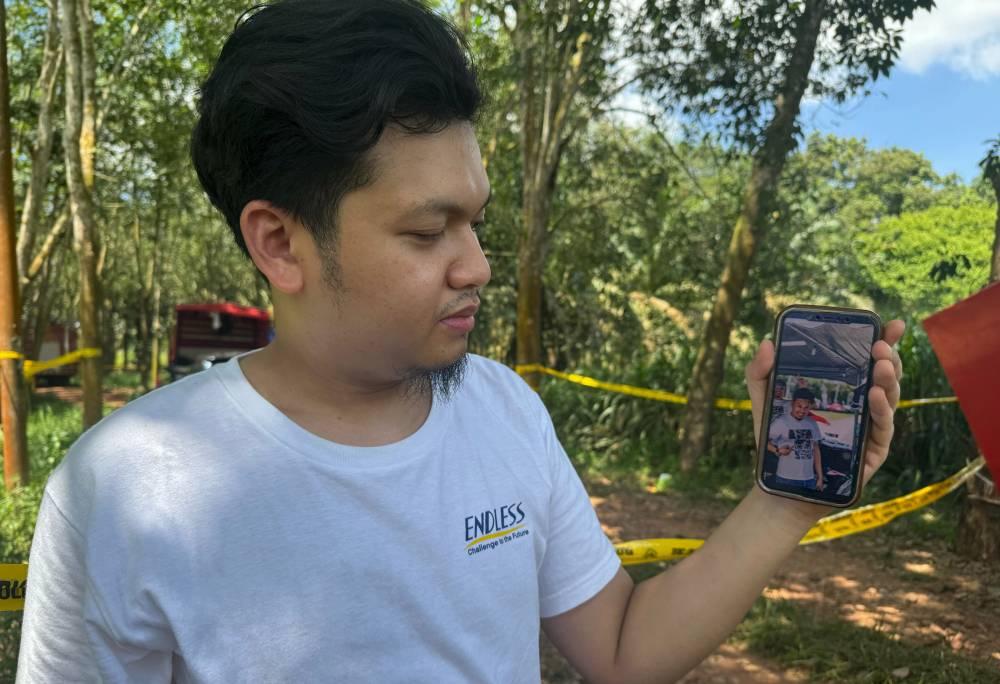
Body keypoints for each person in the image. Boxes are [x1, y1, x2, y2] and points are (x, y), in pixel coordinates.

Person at [15, 2, 905, 682]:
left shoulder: (506, 411)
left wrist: (785, 501)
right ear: (279, 243)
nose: (476, 265)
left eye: (476, 222)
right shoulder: (122, 487)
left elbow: (622, 649)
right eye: (426, 231)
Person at [767, 388, 825, 491]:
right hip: (786, 478)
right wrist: (777, 450)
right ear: (792, 403)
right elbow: (764, 442)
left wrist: (820, 477)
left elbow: (816, 451)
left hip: (809, 479)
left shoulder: (812, 423)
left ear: (810, 407)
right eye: (799, 406)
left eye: (806, 407)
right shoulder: (781, 422)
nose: (802, 411)